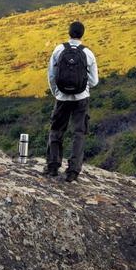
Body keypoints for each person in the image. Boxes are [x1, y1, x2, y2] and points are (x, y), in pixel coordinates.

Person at [44, 20, 98, 182]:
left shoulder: (59, 50)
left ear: (69, 33)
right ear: (82, 34)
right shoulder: (88, 53)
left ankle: (53, 166)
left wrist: (57, 92)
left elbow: (51, 75)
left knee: (56, 130)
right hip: (81, 98)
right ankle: (73, 171)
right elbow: (94, 81)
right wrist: (82, 83)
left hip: (62, 98)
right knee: (79, 133)